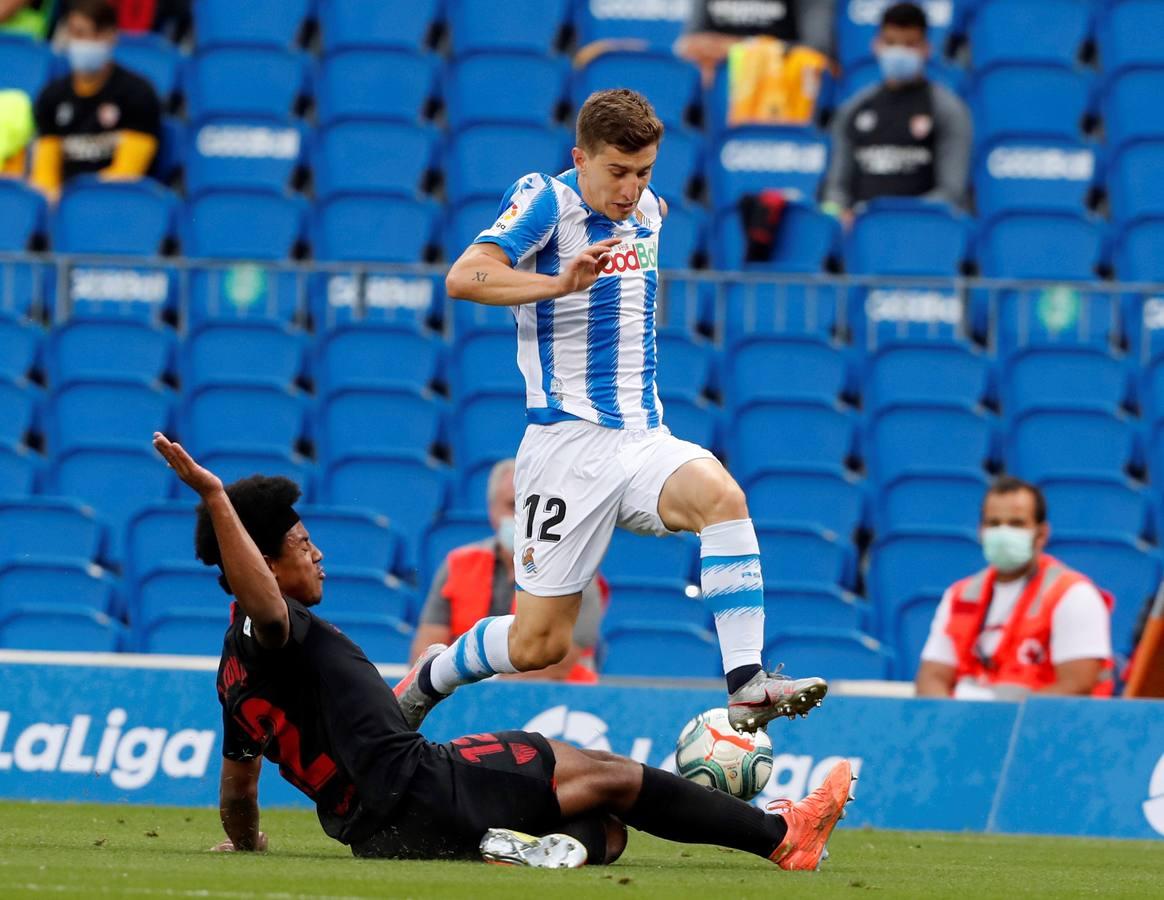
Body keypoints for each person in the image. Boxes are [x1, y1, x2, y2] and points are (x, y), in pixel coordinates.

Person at [151, 432, 854, 870]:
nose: (320, 555)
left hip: (378, 835)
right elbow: (266, 605)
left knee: (606, 831)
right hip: (424, 786)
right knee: (608, 772)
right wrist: (217, 498)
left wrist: (245, 845)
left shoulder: (233, 675)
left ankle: (516, 852)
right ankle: (782, 836)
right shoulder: (273, 628)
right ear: (263, 565)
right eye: (303, 547)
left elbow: (238, 788)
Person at [413, 88, 827, 738]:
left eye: (644, 173)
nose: (631, 188)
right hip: (564, 448)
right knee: (538, 645)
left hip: (640, 439)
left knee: (723, 497)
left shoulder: (651, 213)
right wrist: (557, 284)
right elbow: (465, 277)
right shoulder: (547, 200)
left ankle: (746, 685)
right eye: (617, 171)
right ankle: (431, 677)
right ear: (580, 157)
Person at [915, 477, 1115, 700]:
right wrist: (950, 719)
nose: (1003, 533)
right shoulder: (960, 595)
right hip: (969, 727)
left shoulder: (1073, 594)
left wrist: (997, 717)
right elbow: (931, 678)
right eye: (994, 523)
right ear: (981, 531)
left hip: (1043, 729)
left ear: (1041, 534)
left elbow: (1077, 686)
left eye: (1016, 524)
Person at [411, 458, 604, 683]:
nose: (522, 516)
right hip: (465, 702)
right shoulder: (457, 566)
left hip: (552, 704)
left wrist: (487, 683)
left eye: (532, 505)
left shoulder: (575, 573)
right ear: (492, 510)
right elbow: (426, 652)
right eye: (513, 504)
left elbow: (559, 664)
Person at [821, 2, 971, 226]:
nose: (899, 52)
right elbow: (835, 187)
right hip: (861, 234)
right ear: (876, 46)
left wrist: (898, 219)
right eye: (891, 43)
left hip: (922, 231)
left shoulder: (948, 110)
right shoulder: (853, 108)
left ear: (926, 48)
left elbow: (951, 191)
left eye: (909, 45)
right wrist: (838, 212)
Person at [30, 0, 161, 201]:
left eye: (83, 34)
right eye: (73, 34)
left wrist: (77, 198)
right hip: (62, 207)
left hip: (117, 203)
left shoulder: (137, 93)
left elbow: (127, 172)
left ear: (109, 35)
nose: (77, 42)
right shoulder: (52, 96)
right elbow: (45, 173)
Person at [676, 0, 834, 82]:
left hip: (782, 94)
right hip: (720, 93)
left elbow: (817, 52)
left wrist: (737, 49)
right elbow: (688, 45)